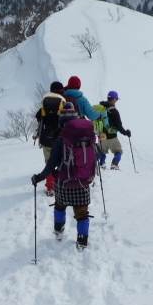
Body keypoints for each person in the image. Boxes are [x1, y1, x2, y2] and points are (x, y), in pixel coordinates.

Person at [31, 102, 96, 251]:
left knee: (60, 206)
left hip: (64, 182)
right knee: (82, 213)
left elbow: (51, 165)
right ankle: (82, 241)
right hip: (83, 181)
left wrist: (38, 178)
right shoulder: (88, 138)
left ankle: (59, 232)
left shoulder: (60, 140)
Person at [34, 81, 66, 196]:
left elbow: (38, 119)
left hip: (46, 139)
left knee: (49, 163)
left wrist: (36, 134)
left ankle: (51, 187)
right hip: (60, 139)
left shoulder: (45, 103)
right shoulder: (63, 102)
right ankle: (62, 184)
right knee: (63, 162)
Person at [97, 90, 131, 170]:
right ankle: (114, 164)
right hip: (112, 136)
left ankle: (102, 163)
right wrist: (126, 133)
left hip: (101, 135)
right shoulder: (114, 111)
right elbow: (119, 126)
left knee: (101, 150)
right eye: (116, 99)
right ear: (113, 99)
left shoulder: (100, 108)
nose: (116, 101)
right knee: (118, 151)